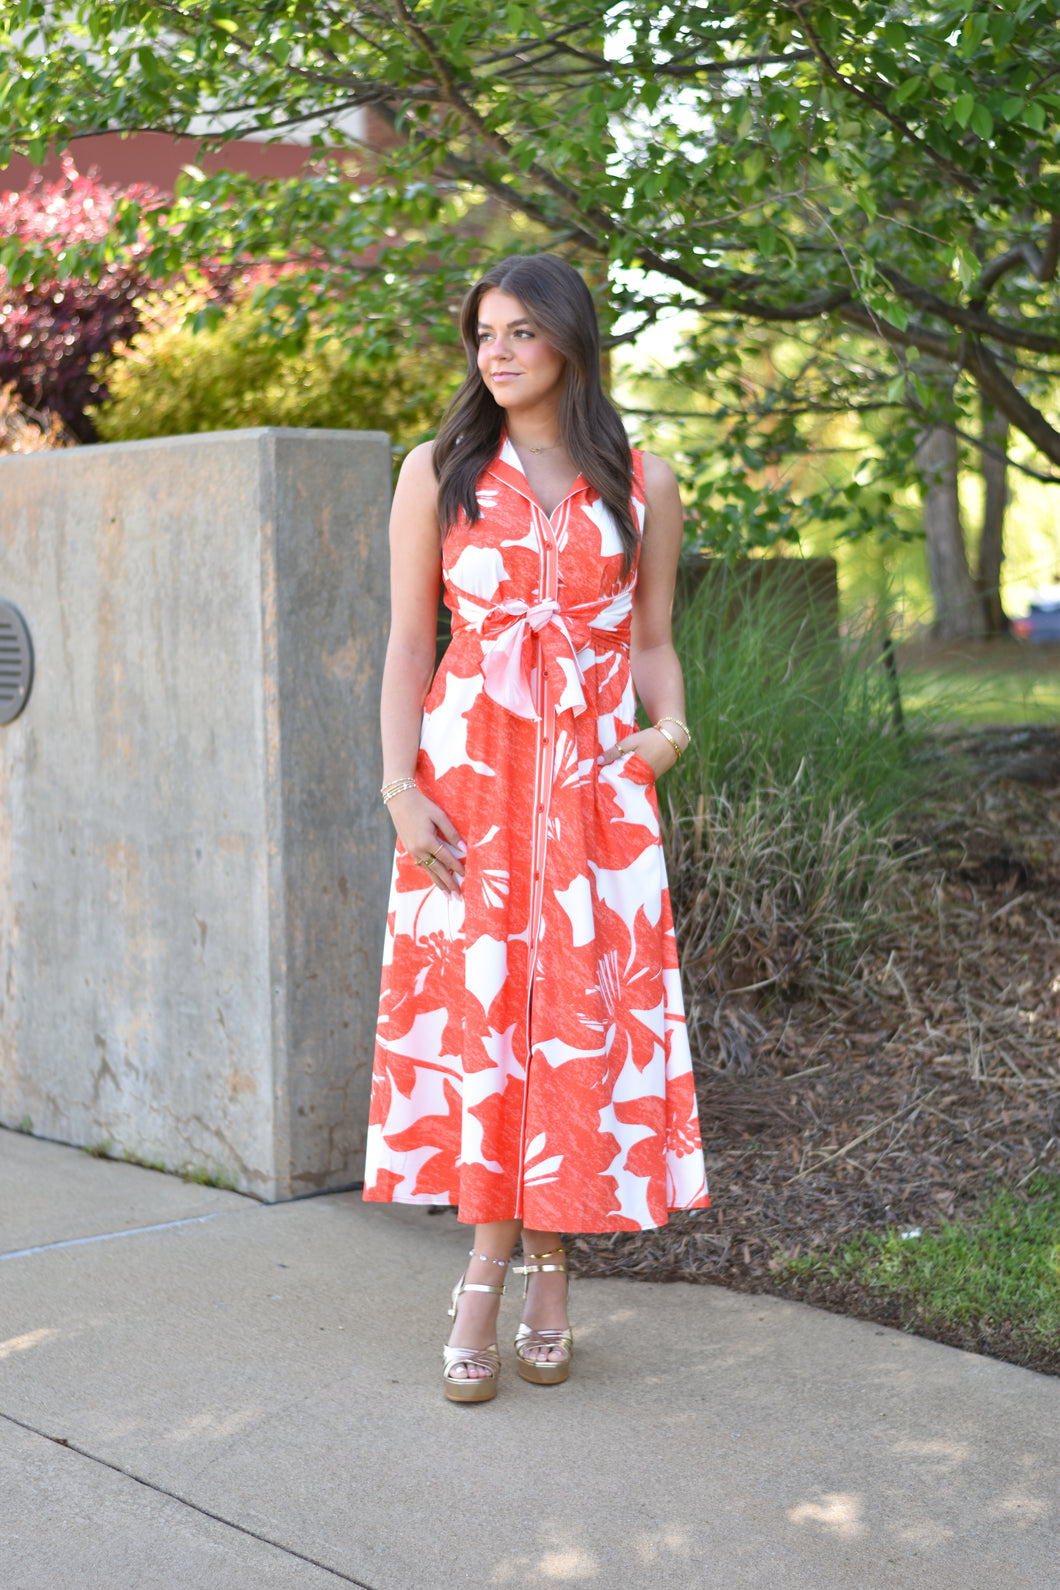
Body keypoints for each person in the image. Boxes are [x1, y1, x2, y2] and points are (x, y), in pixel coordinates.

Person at [363, 253, 710, 1402]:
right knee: (485, 1028)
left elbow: (651, 638)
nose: (496, 351)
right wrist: (401, 791)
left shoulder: (643, 479)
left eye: (519, 331)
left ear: (568, 339)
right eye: (482, 334)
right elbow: (412, 644)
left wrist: (665, 736)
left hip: (594, 794)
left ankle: (544, 1271)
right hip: (470, 787)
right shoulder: (438, 470)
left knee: (568, 1023)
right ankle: (491, 1271)